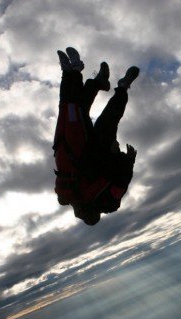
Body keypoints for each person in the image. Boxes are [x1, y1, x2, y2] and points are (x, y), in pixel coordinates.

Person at [53, 47, 139, 225]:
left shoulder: (81, 197)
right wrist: (123, 158)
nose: (78, 210)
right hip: (101, 151)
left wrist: (127, 159)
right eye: (81, 212)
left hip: (89, 150)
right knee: (106, 117)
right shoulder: (107, 202)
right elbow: (121, 179)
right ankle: (121, 86)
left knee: (83, 110)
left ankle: (98, 81)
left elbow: (122, 180)